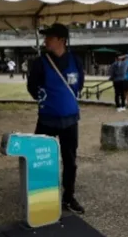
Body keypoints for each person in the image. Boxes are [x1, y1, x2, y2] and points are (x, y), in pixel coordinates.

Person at [27, 23, 85, 214]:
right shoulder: (39, 62)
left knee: (70, 161)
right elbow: (32, 88)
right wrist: (47, 100)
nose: (45, 41)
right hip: (47, 119)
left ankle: (68, 197)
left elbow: (80, 84)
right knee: (41, 159)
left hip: (70, 120)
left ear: (61, 40)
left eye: (49, 38)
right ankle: (42, 197)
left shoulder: (75, 61)